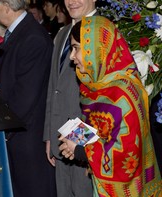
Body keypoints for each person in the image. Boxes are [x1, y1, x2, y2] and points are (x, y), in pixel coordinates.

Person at [59, 15, 162, 196]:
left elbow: (125, 156)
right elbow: (101, 131)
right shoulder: (97, 86)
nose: (71, 56)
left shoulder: (123, 93)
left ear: (96, 49)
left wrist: (81, 151)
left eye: (76, 48)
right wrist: (76, 140)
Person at [0, 0, 56, 196]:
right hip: (15, 135)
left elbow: (24, 98)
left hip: (27, 141)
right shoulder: (18, 33)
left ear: (6, 5)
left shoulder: (32, 37)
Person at [43, 0, 96, 196]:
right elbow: (53, 86)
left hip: (85, 142)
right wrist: (50, 135)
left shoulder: (102, 33)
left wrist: (84, 148)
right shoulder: (63, 33)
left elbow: (107, 97)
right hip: (60, 138)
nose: (72, 2)